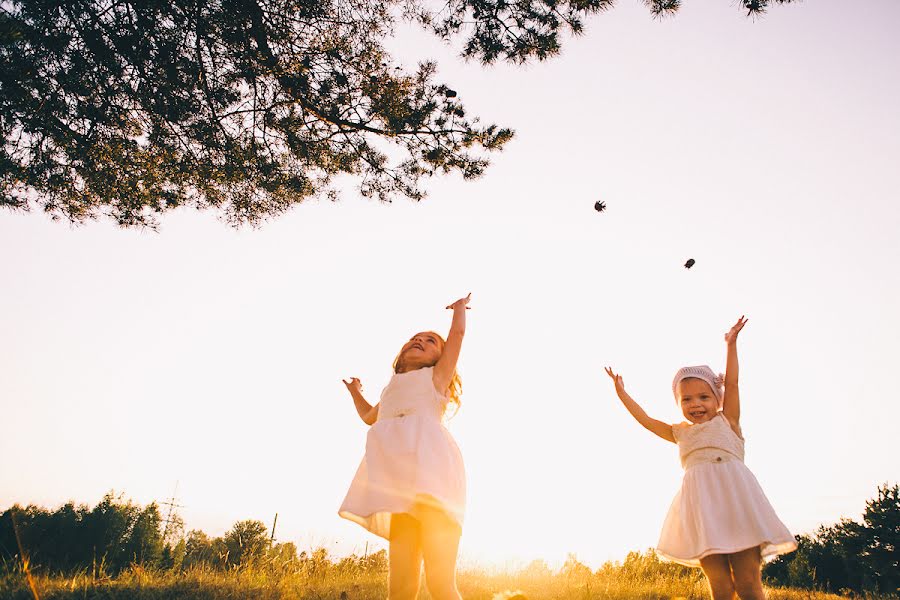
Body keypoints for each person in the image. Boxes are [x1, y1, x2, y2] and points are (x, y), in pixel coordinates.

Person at [605, 316, 796, 600]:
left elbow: (732, 384)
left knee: (747, 585)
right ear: (679, 403)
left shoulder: (728, 421)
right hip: (702, 512)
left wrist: (731, 344)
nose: (696, 404)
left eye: (704, 397)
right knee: (720, 588)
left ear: (716, 399)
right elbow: (645, 420)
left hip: (737, 504)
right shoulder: (679, 433)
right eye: (687, 399)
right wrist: (622, 394)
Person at [339, 293, 471, 600]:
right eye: (415, 338)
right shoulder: (390, 390)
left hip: (434, 480)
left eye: (430, 341)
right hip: (399, 490)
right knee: (400, 588)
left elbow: (457, 335)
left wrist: (460, 309)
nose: (420, 340)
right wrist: (356, 392)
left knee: (439, 583)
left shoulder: (436, 379)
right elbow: (369, 416)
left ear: (440, 359)